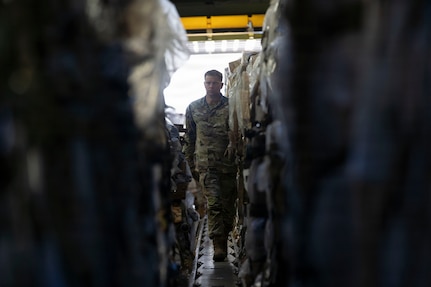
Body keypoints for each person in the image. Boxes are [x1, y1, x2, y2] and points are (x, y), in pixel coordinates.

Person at [183, 69, 237, 261]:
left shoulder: (232, 107)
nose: (211, 86)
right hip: (206, 165)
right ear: (204, 84)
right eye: (208, 83)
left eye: (215, 83)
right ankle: (218, 245)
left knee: (228, 206)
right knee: (214, 204)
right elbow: (189, 138)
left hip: (228, 165)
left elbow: (238, 133)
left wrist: (234, 145)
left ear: (221, 85)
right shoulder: (193, 107)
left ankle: (225, 233)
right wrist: (189, 164)